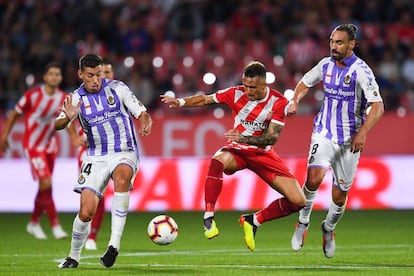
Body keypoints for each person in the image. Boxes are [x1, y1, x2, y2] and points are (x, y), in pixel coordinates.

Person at [161, 61, 306, 251]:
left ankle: (253, 220)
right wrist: (180, 102)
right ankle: (209, 217)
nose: (247, 90)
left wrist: (244, 136)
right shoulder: (235, 93)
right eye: (245, 85)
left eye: (252, 87)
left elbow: (272, 138)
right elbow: (205, 99)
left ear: (264, 85)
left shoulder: (278, 103)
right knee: (217, 160)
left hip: (263, 153)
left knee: (298, 201)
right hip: (238, 151)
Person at [288, 24, 384, 258]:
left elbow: (378, 106)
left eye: (339, 42)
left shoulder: (362, 71)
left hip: (349, 140)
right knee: (313, 178)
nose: (333, 46)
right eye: (332, 41)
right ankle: (302, 222)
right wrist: (295, 100)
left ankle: (328, 228)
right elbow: (304, 83)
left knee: (339, 196)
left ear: (352, 45)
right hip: (324, 132)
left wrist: (362, 133)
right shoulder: (325, 64)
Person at [55, 54, 152, 268]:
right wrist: (66, 117)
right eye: (90, 75)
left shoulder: (118, 88)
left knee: (122, 177)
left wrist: (146, 121)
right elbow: (57, 124)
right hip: (95, 156)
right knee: (86, 211)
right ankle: (73, 256)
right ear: (81, 75)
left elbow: (142, 112)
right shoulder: (75, 98)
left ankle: (113, 245)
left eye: (98, 74)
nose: (96, 80)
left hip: (123, 151)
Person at [0, 62, 68, 240]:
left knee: (44, 185)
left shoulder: (63, 98)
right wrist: (4, 136)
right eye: (51, 73)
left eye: (57, 74)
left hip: (50, 146)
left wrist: (75, 136)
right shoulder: (32, 95)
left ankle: (33, 222)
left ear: (60, 78)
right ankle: (55, 225)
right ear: (45, 77)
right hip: (32, 146)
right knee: (46, 183)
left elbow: (66, 120)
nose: (54, 77)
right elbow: (15, 113)